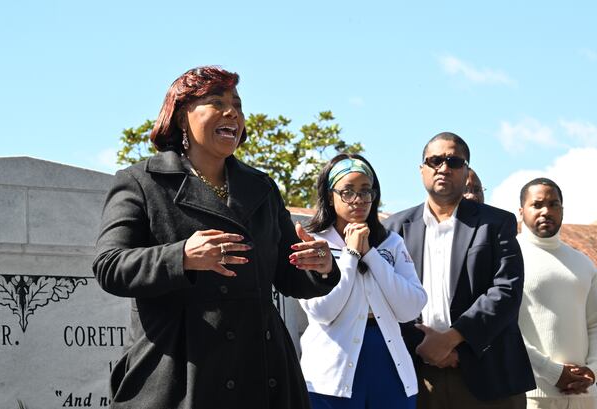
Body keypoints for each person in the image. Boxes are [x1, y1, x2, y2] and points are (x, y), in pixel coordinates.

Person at [92, 66, 340, 409]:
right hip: (182, 374)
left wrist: (320, 266)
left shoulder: (262, 187)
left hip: (263, 371)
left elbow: (289, 275)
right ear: (182, 116)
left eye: (237, 104)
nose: (232, 112)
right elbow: (110, 265)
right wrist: (181, 257)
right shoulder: (141, 182)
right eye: (216, 101)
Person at [383, 132, 536, 409]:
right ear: (422, 170)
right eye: (435, 160)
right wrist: (427, 345)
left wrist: (453, 340)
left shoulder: (496, 223)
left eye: (453, 161)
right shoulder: (393, 229)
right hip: (417, 373)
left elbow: (506, 291)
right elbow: (385, 295)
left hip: (488, 376)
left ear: (466, 172)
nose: (444, 167)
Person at [299, 153, 427, 409]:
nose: (358, 199)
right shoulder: (313, 242)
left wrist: (371, 255)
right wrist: (351, 254)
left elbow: (411, 308)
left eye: (365, 191)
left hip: (389, 364)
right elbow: (322, 311)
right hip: (330, 373)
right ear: (329, 195)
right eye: (347, 191)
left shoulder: (392, 242)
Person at [517, 177, 597, 409]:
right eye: (538, 204)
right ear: (521, 211)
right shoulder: (508, 259)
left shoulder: (583, 263)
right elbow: (505, 329)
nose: (546, 211)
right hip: (532, 396)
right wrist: (552, 373)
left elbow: (594, 324)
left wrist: (591, 372)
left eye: (554, 204)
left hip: (586, 396)